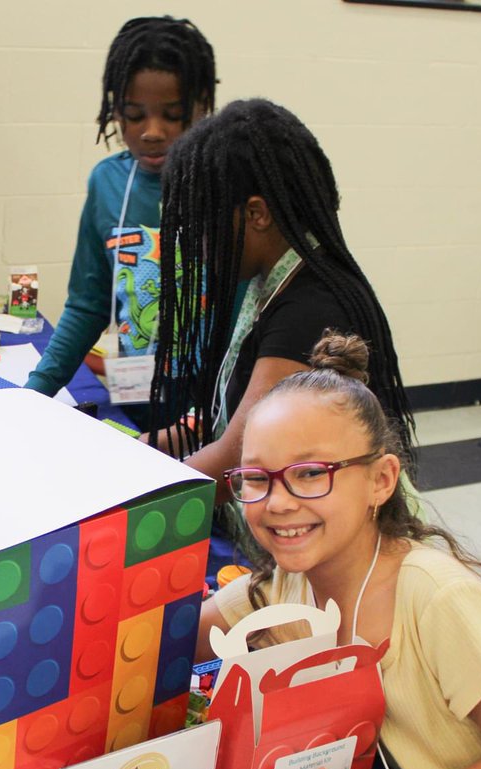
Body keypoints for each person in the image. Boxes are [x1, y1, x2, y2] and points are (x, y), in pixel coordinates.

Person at [199, 332, 481, 769]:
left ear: (382, 480)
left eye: (310, 474)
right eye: (256, 478)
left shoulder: (436, 596)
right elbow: (176, 632)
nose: (278, 502)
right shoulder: (286, 585)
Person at [145, 99, 415, 504]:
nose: (196, 245)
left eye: (202, 224)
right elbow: (225, 416)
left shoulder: (310, 311)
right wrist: (141, 445)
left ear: (257, 214)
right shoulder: (275, 281)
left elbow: (233, 463)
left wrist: (125, 493)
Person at [26, 15, 217, 430]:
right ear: (115, 109)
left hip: (217, 402)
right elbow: (88, 303)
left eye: (173, 115)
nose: (152, 132)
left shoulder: (226, 182)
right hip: (140, 393)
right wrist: (34, 392)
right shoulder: (108, 182)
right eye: (134, 114)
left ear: (202, 106)